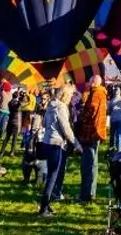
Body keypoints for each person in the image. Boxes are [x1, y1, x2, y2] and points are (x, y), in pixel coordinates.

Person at [38, 84, 81, 216]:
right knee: (53, 177)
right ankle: (43, 208)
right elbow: (66, 129)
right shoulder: (62, 107)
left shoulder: (51, 105)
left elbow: (44, 123)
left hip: (46, 142)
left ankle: (47, 204)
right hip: (56, 144)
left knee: (51, 175)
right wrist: (77, 144)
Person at [76, 75, 109, 203]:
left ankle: (85, 195)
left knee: (87, 165)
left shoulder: (95, 94)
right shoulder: (102, 93)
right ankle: (91, 192)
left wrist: (81, 117)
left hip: (90, 133)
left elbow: (91, 110)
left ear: (94, 83)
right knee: (93, 165)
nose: (88, 83)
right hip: (97, 132)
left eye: (90, 81)